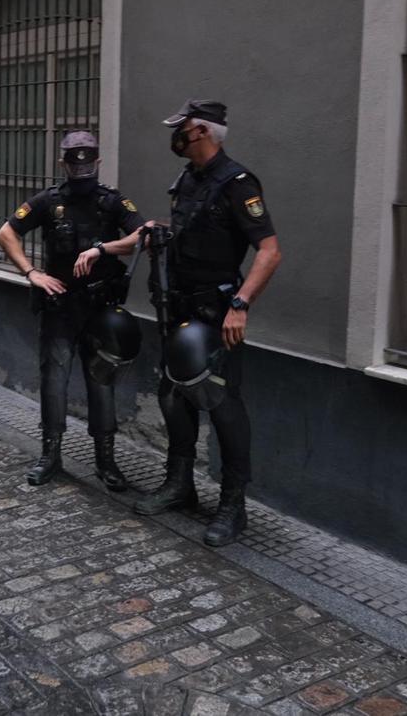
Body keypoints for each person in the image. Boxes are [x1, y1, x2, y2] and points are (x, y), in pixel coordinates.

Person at [134, 100, 282, 547]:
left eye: (181, 129)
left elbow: (270, 251)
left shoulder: (237, 183)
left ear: (199, 131)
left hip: (217, 315)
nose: (176, 137)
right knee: (173, 395)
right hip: (178, 308)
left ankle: (233, 505)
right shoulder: (188, 180)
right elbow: (189, 233)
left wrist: (240, 304)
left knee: (223, 403)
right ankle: (180, 484)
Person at [0, 132, 146, 491]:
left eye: (86, 161)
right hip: (60, 308)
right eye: (74, 162)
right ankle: (50, 455)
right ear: (63, 164)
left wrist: (103, 249)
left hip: (100, 309)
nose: (80, 167)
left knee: (101, 384)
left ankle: (106, 460)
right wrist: (32, 273)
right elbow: (6, 233)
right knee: (54, 382)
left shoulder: (111, 202)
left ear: (97, 162)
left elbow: (143, 235)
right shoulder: (49, 201)